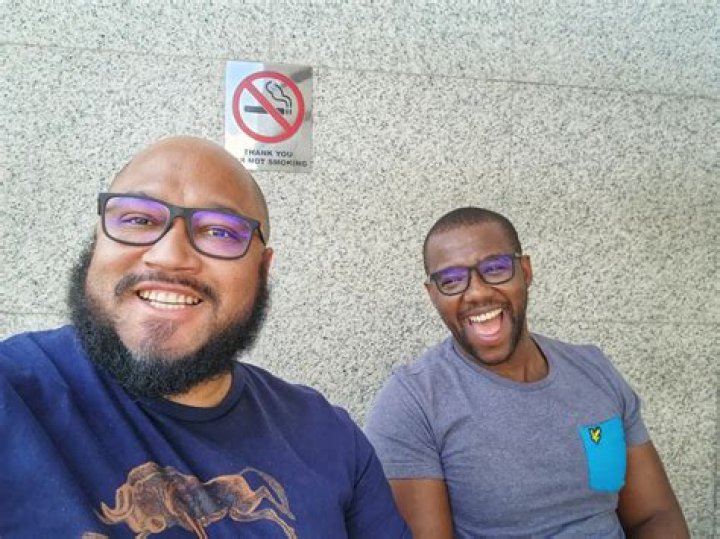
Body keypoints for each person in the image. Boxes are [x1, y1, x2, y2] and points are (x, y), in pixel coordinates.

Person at [0, 136, 409, 538]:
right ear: (96, 243)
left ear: (263, 270)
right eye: (138, 220)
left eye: (219, 231)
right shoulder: (14, 394)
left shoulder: (332, 438)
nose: (169, 256)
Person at [364, 207, 688, 538]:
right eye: (451, 280)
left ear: (526, 271)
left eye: (495, 269)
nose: (477, 292)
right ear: (432, 295)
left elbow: (654, 515)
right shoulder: (414, 401)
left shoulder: (594, 371)